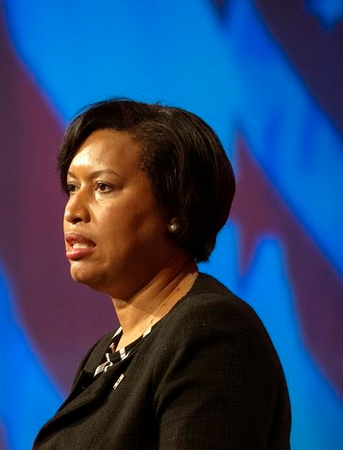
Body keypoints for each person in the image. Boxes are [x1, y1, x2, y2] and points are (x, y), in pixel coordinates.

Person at [32, 99, 291, 449]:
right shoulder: (106, 353)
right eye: (73, 187)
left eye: (103, 186)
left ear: (175, 209)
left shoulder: (211, 332)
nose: (72, 211)